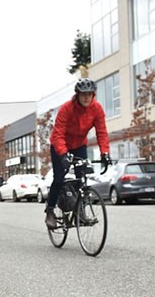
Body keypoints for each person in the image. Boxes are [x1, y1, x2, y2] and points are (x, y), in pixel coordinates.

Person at [44, 78, 111, 229]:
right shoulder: (66, 109)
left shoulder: (97, 109)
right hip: (59, 145)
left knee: (82, 178)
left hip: (79, 145)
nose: (86, 97)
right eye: (83, 94)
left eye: (89, 94)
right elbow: (58, 134)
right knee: (59, 178)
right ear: (77, 95)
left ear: (93, 95)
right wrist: (63, 154)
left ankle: (80, 213)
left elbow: (102, 132)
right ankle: (50, 211)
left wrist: (104, 153)